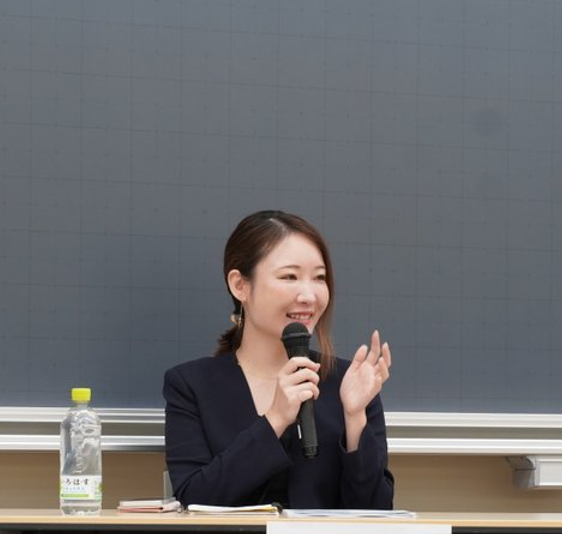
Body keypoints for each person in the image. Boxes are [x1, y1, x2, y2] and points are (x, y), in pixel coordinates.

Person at [163, 211, 395, 509]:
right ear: (239, 285)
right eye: (289, 277)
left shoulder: (350, 382)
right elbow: (196, 500)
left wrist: (355, 419)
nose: (309, 296)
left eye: (319, 278)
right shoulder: (191, 385)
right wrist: (276, 418)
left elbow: (377, 513)